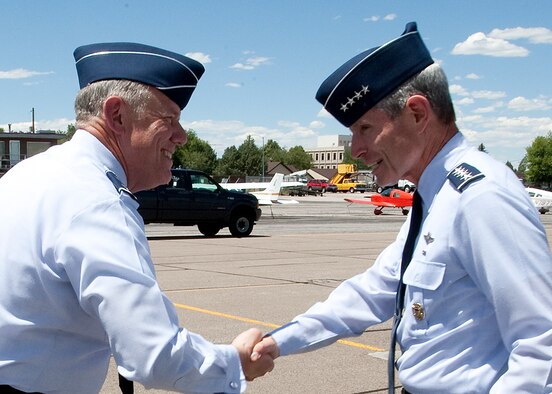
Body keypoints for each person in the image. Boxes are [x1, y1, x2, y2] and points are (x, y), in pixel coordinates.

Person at [251, 22, 552, 393]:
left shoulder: (481, 196)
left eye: (365, 128)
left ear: (418, 113)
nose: (356, 150)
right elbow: (373, 291)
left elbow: (541, 343)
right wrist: (279, 341)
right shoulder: (436, 195)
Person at [0, 42, 272, 393]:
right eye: (168, 119)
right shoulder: (98, 202)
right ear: (117, 116)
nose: (182, 136)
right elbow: (155, 356)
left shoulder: (25, 176)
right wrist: (233, 362)